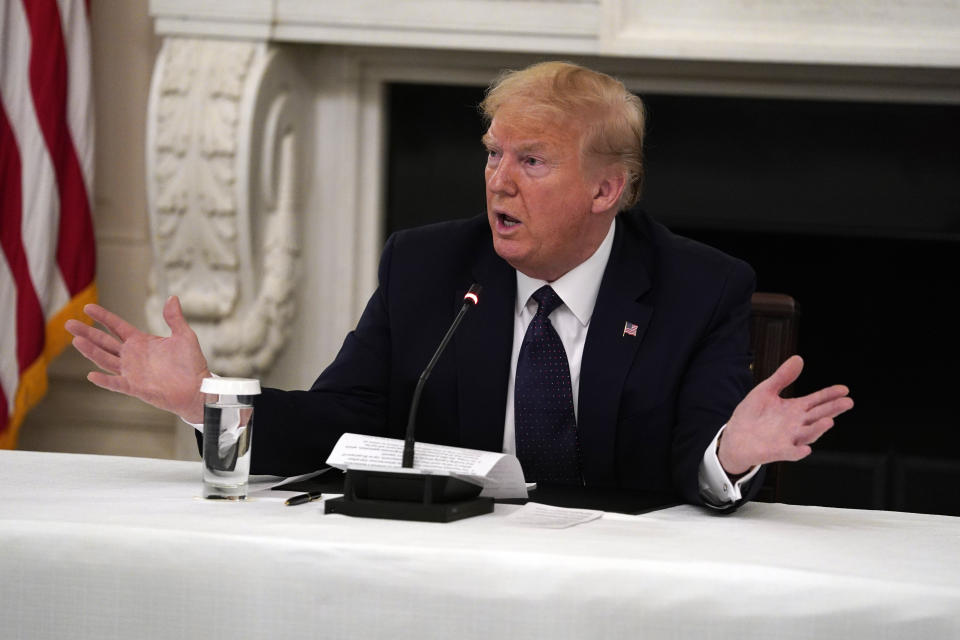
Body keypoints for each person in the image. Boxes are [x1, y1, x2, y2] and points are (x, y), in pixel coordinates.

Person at [66, 61, 853, 509]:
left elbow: (695, 459)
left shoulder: (698, 287)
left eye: (531, 161)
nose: (498, 183)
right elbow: (337, 422)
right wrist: (204, 400)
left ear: (605, 191)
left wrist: (731, 450)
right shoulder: (430, 266)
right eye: (491, 155)